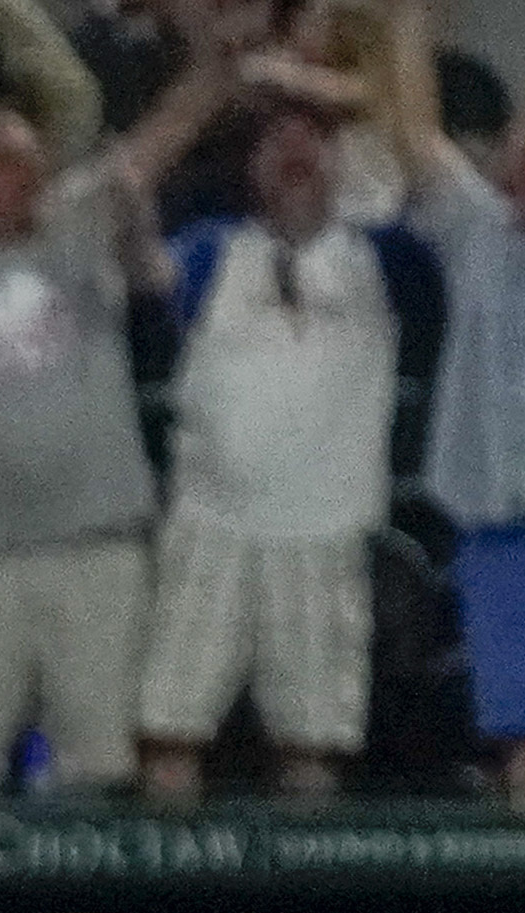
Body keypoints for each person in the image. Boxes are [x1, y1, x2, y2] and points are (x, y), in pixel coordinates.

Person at [0, 35, 251, 796]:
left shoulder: (76, 227)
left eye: (35, 156)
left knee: (96, 771)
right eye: (9, 161)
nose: (33, 172)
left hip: (92, 551)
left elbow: (160, 138)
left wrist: (212, 64)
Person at [138, 86, 420, 802]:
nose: (295, 153)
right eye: (276, 141)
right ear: (251, 165)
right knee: (169, 741)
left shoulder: (387, 259)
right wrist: (214, 79)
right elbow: (127, 220)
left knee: (310, 753)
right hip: (207, 522)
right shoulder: (207, 251)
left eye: (312, 139)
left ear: (339, 157)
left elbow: (427, 169)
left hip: (326, 531)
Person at [382, 0, 525, 804]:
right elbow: (415, 137)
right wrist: (406, 24)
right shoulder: (476, 230)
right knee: (512, 735)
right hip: (496, 527)